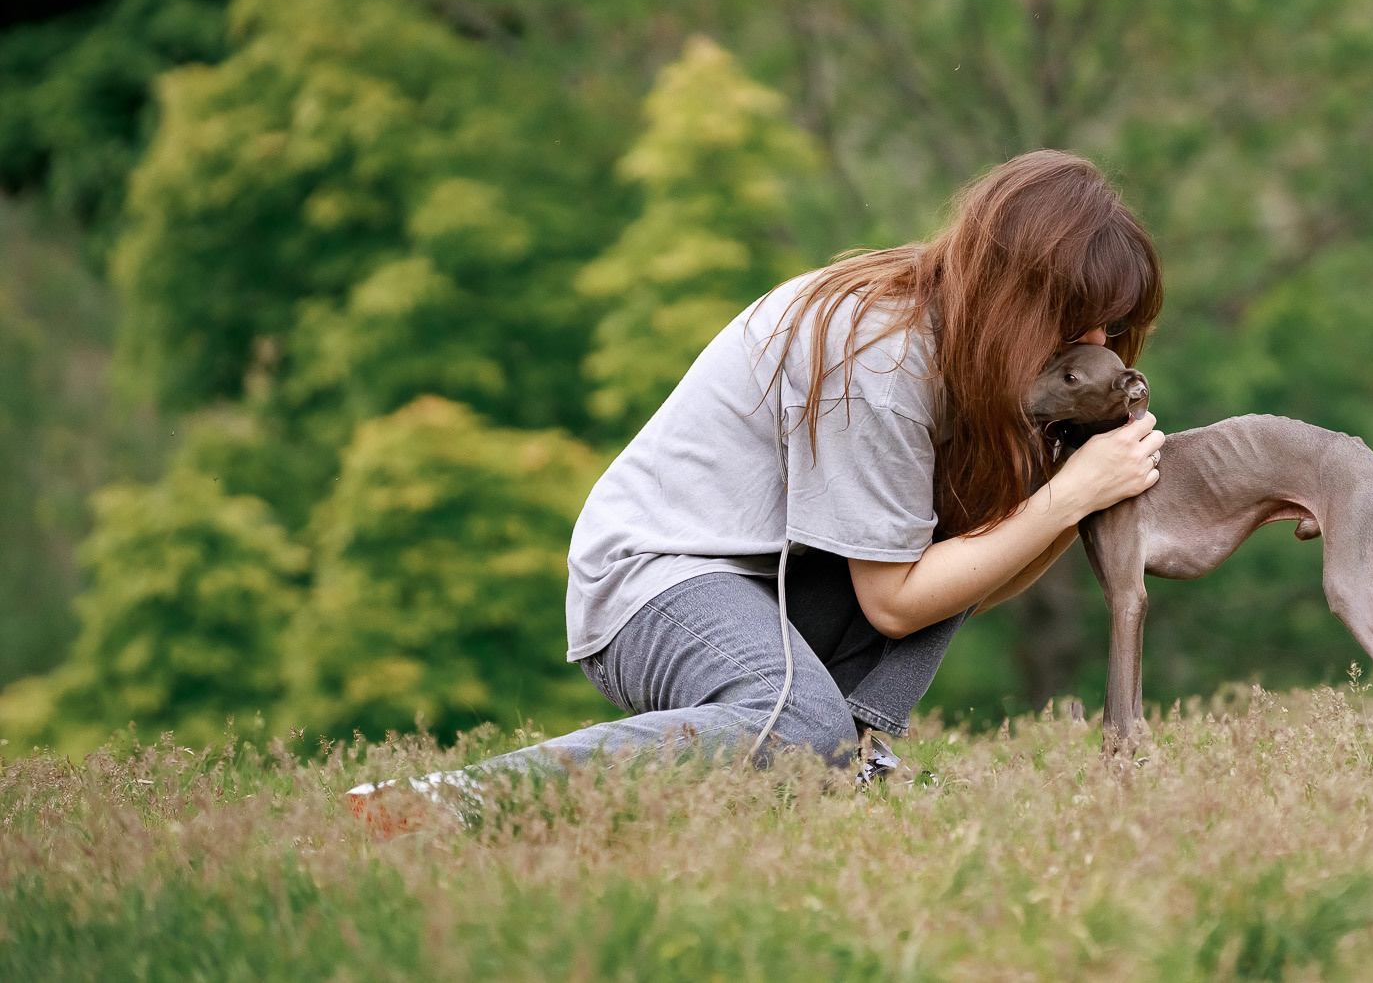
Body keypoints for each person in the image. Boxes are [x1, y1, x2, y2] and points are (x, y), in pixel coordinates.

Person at [346, 149, 1164, 815]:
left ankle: (844, 766)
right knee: (798, 727)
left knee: (834, 709)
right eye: (1076, 317)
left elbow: (967, 580)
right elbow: (896, 601)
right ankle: (443, 803)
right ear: (1014, 294)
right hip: (654, 576)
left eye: (1115, 328)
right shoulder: (881, 353)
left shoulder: (978, 367)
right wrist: (1068, 496)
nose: (1096, 342)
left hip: (769, 582)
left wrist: (1068, 489)